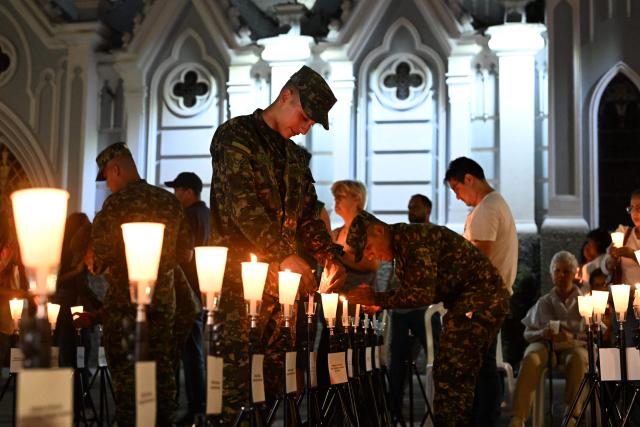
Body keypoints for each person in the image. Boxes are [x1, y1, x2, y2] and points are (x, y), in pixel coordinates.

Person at [209, 65, 346, 422]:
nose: (304, 128)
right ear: (286, 95)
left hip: (281, 290)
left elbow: (308, 216)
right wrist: (284, 253)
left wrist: (327, 255)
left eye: (311, 125)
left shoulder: (296, 158)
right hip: (239, 283)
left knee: (273, 384)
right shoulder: (236, 136)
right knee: (236, 383)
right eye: (304, 117)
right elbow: (243, 206)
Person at [345, 210, 510, 427]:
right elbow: (415, 289)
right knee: (471, 371)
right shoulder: (403, 245)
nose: (370, 255)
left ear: (378, 229)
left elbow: (421, 293)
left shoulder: (414, 242)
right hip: (474, 300)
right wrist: (381, 301)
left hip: (478, 300)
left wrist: (377, 297)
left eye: (368, 247)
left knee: (451, 373)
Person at [83, 142, 196, 427]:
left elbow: (99, 261)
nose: (108, 185)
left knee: (128, 388)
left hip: (125, 311)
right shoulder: (170, 202)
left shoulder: (115, 204)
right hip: (164, 308)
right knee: (162, 382)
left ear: (116, 169)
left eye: (107, 177)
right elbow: (185, 253)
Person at [445, 156, 518, 426]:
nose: (458, 197)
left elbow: (478, 264)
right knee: (482, 365)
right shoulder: (495, 204)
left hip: (482, 302)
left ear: (469, 179)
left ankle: (483, 420)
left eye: (457, 189)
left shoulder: (486, 210)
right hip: (492, 299)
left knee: (481, 367)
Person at [509, 251, 587, 427]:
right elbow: (527, 333)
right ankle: (518, 418)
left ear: (574, 274)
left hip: (573, 346)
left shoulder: (584, 301)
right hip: (545, 345)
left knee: (579, 359)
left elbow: (594, 334)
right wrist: (542, 333)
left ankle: (572, 415)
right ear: (551, 274)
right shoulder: (544, 302)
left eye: (566, 271)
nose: (561, 275)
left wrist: (572, 335)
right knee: (531, 358)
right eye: (557, 271)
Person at [164, 172, 209, 425]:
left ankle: (197, 408)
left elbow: (184, 254)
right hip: (202, 289)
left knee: (190, 352)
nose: (175, 195)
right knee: (193, 349)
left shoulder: (191, 216)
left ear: (189, 192)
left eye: (177, 190)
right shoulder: (206, 214)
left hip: (189, 291)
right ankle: (198, 407)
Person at [388, 193, 437, 421]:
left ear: (427, 210)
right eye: (408, 207)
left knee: (436, 356)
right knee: (398, 361)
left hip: (426, 308)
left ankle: (440, 407)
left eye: (415, 207)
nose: (410, 211)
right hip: (402, 309)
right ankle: (394, 411)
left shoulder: (436, 235)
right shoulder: (402, 236)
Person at [330, 180, 378, 292]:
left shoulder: (368, 230)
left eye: (341, 196)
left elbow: (372, 264)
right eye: (335, 197)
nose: (336, 200)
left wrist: (338, 252)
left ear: (357, 198)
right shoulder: (336, 232)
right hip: (335, 298)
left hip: (359, 299)